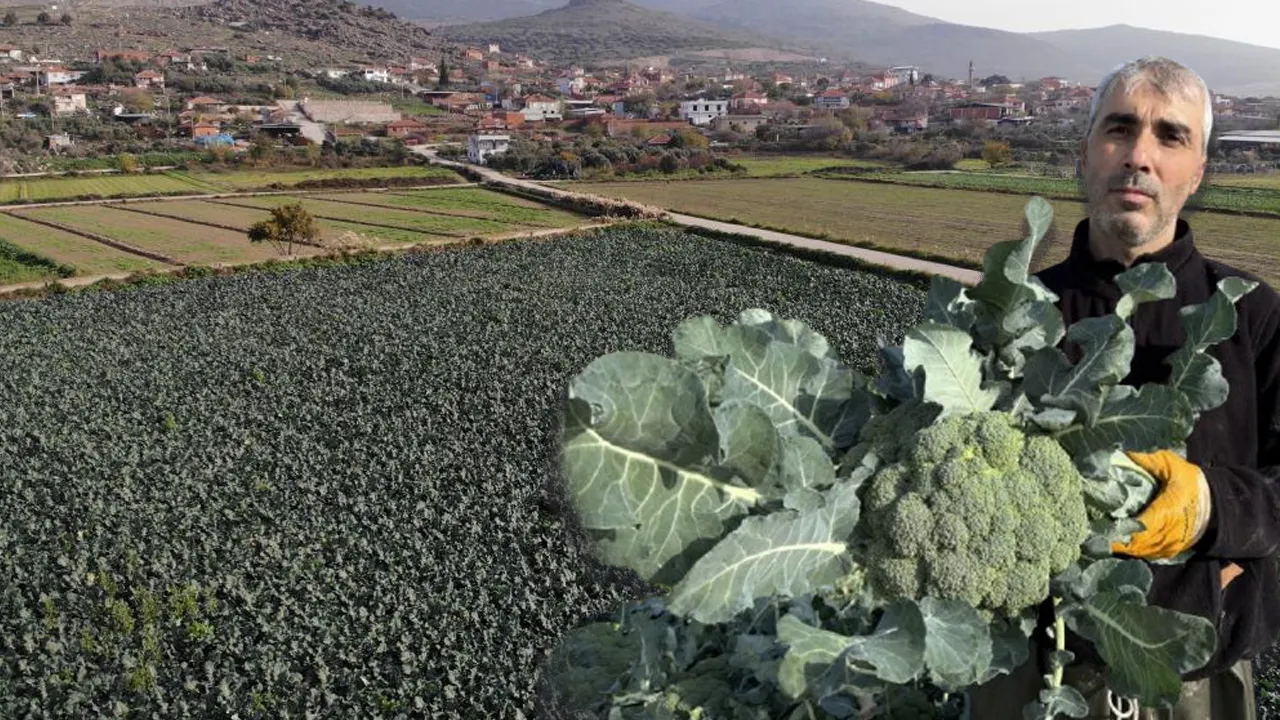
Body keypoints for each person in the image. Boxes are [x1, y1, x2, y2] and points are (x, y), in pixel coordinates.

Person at [966, 56, 1280, 719]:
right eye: (1119, 129)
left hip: (1197, 679)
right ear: (1085, 152)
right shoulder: (1008, 315)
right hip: (1028, 673)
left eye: (1171, 137)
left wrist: (1212, 504)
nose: (1139, 155)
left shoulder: (1253, 317)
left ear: (1196, 172)